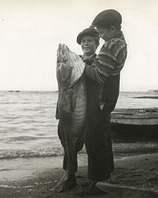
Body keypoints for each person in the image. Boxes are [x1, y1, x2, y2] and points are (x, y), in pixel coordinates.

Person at [78, 9, 127, 195]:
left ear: (113, 29)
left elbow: (99, 76)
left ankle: (98, 182)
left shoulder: (111, 45)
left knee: (93, 138)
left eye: (102, 32)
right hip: (107, 99)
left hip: (100, 99)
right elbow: (104, 67)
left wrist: (82, 65)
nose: (100, 35)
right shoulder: (120, 43)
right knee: (103, 136)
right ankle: (106, 175)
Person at [54, 27, 100, 193]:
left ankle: (95, 180)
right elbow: (63, 86)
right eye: (83, 41)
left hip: (92, 110)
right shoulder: (76, 62)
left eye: (89, 41)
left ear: (97, 43)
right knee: (66, 141)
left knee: (93, 144)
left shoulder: (98, 61)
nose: (86, 44)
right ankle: (69, 173)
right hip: (68, 109)